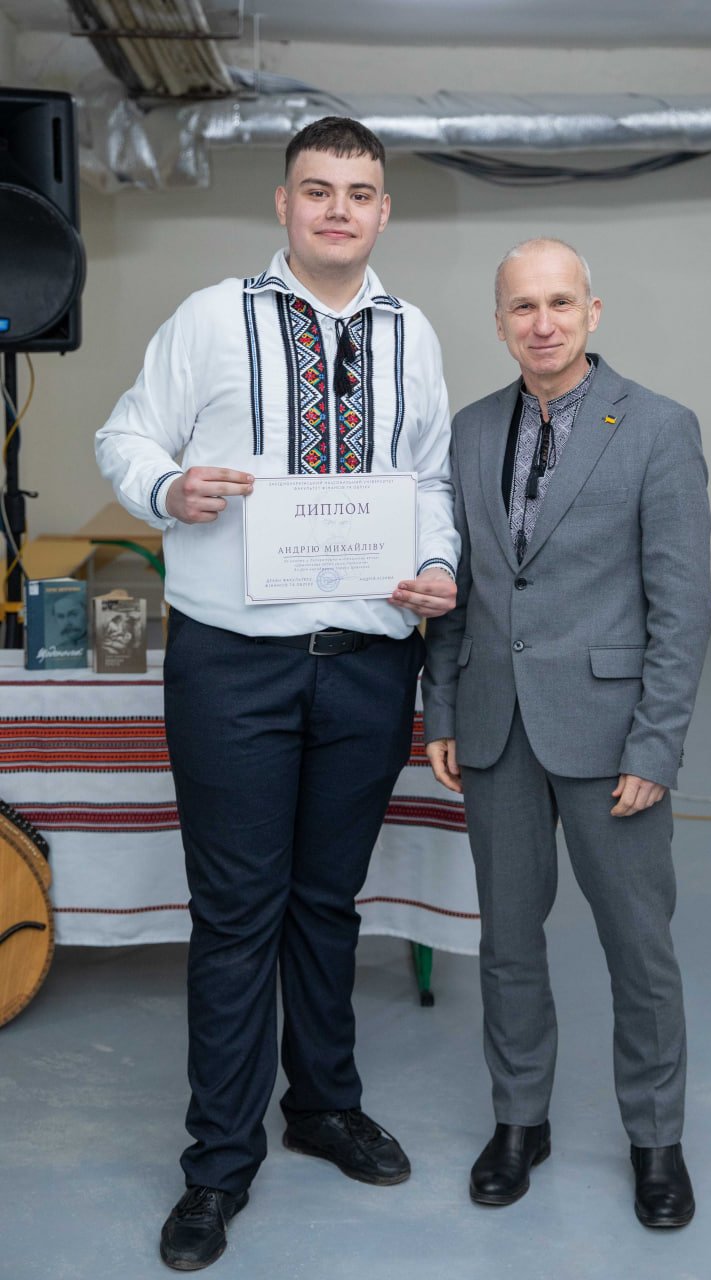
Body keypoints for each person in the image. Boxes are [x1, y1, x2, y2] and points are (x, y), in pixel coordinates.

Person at [96, 116, 459, 1271]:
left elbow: (432, 478)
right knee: (236, 911)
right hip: (234, 662)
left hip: (368, 658)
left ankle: (322, 1105)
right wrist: (168, 486)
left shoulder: (413, 333)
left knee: (326, 900)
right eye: (317, 189)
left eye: (358, 191)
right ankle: (217, 1161)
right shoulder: (212, 317)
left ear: (383, 210)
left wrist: (438, 561)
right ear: (284, 204)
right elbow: (123, 435)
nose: (337, 209)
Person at [422, 238, 711, 1227]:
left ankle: (655, 1141)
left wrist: (655, 745)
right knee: (506, 942)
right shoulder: (470, 431)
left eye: (558, 303)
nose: (540, 323)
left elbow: (681, 604)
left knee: (638, 948)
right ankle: (519, 1122)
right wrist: (442, 706)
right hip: (494, 726)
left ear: (592, 312)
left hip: (610, 734)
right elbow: (456, 584)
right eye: (521, 306)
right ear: (499, 321)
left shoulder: (658, 427)